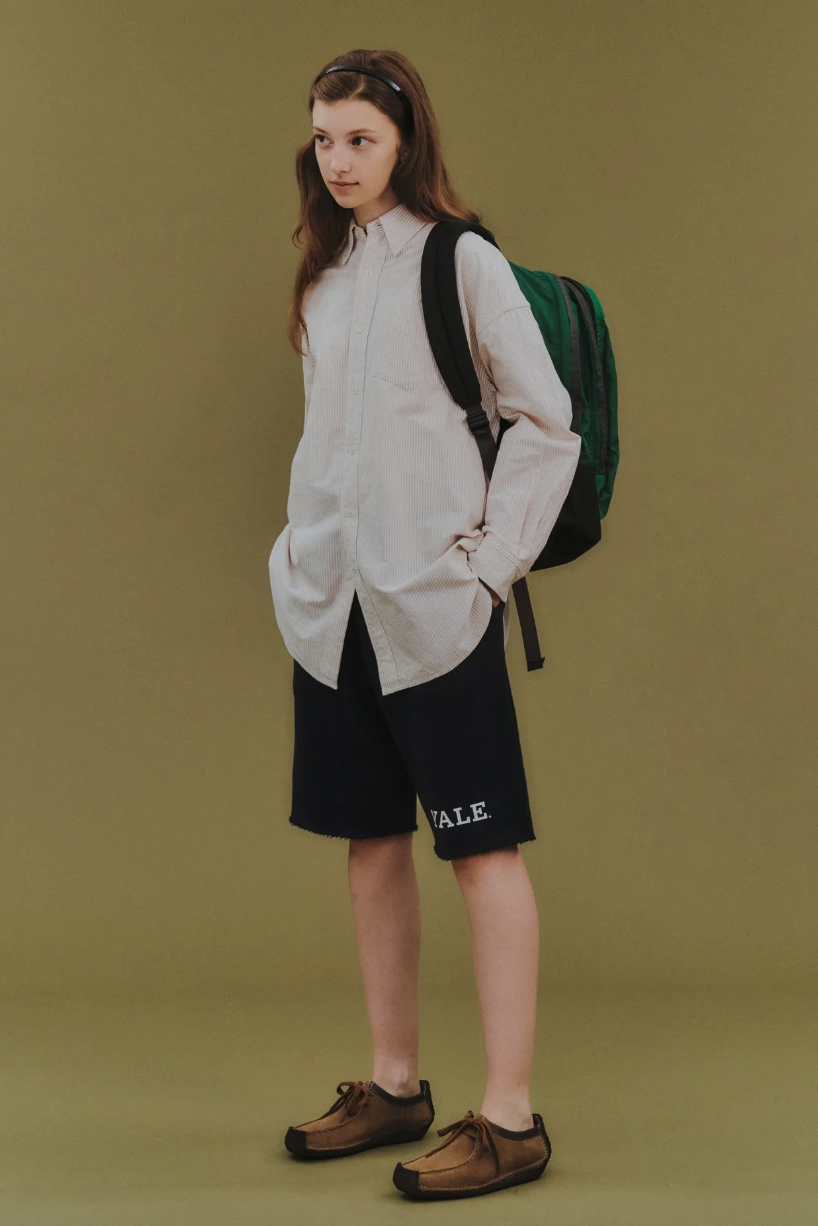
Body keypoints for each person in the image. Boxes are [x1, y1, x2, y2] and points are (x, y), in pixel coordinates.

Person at [269, 50, 581, 1200]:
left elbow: (544, 421)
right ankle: (394, 1083)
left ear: (405, 142)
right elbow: (332, 443)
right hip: (333, 609)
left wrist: (488, 568)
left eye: (360, 137)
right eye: (324, 138)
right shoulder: (325, 276)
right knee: (369, 843)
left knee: (480, 850)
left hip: (434, 610)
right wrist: (297, 555)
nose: (338, 159)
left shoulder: (462, 262)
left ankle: (509, 1116)